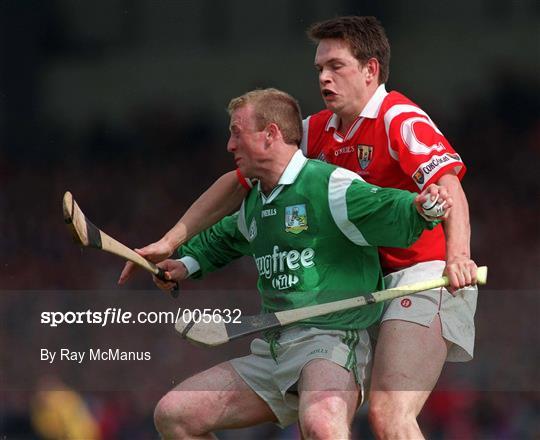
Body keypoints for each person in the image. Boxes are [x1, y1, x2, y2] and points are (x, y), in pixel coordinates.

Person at [119, 16, 478, 438]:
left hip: (420, 278)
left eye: (336, 66)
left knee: (389, 415)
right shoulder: (316, 130)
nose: (324, 78)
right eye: (319, 69)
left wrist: (458, 257)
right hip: (366, 286)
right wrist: (172, 242)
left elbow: (448, 184)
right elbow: (238, 184)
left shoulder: (397, 117)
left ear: (370, 70)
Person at [150, 88, 452, 439]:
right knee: (174, 414)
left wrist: (423, 207)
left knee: (322, 423)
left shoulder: (329, 185)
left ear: (271, 135)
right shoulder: (255, 200)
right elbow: (227, 236)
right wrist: (185, 263)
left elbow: (388, 208)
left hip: (333, 342)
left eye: (237, 133)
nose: (230, 146)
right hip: (274, 349)